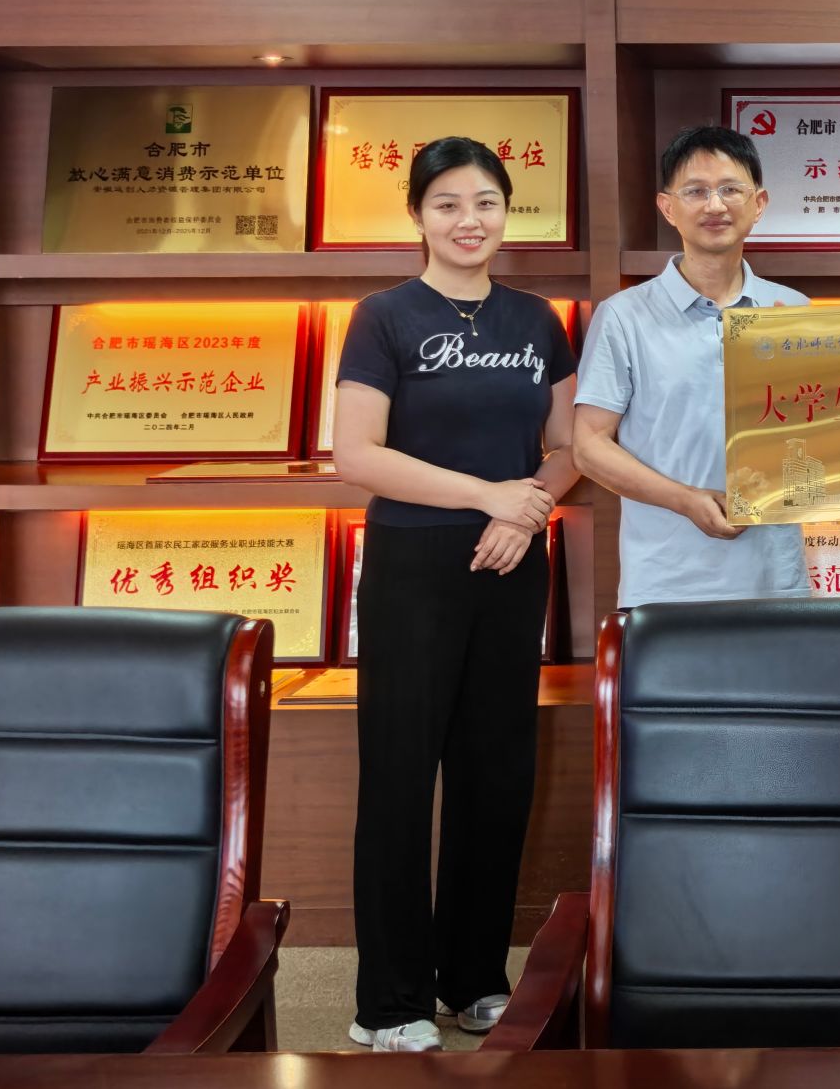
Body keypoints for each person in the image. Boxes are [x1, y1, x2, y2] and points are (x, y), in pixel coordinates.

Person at [332, 136, 580, 1053]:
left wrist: (527, 511)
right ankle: (389, 1000)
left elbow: (569, 445)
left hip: (512, 565)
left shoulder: (537, 319)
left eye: (485, 203)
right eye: (447, 204)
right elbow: (357, 454)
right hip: (414, 565)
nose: (468, 220)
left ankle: (473, 975)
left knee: (496, 772)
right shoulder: (384, 316)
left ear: (507, 212)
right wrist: (489, 496)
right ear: (418, 215)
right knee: (400, 775)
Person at [573, 125, 810, 607]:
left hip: (774, 578)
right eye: (696, 191)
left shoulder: (793, 311)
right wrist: (686, 499)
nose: (715, 205)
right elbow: (589, 446)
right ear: (667, 208)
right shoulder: (624, 315)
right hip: (665, 582)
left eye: (730, 189)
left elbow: (828, 434)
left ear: (759, 204)